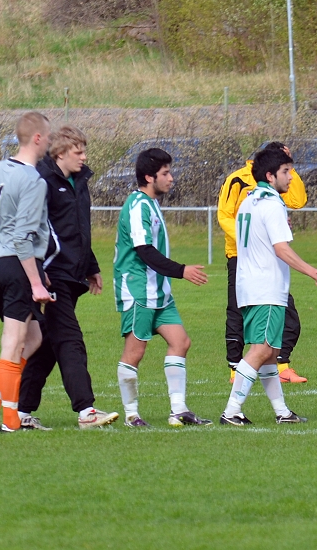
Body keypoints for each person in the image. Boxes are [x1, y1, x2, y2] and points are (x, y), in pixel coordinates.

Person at [220, 149, 317, 426]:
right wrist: (313, 272)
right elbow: (281, 249)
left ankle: (282, 411)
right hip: (266, 287)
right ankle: (232, 410)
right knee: (261, 350)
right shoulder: (271, 204)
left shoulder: (249, 201)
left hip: (249, 285)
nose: (291, 176)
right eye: (286, 171)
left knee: (270, 353)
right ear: (270, 176)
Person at [17, 126, 119, 430]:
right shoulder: (42, 180)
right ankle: (86, 411)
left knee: (48, 345)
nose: (84, 157)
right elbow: (34, 229)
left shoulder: (80, 181)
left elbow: (79, 228)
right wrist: (39, 271)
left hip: (72, 275)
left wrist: (91, 265)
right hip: (52, 275)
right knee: (70, 339)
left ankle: (20, 412)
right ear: (60, 152)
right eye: (79, 152)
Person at [113, 148, 211, 427]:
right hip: (138, 290)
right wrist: (182, 271)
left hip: (160, 292)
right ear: (149, 177)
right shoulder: (137, 206)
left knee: (180, 342)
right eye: (165, 173)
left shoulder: (152, 203)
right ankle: (132, 414)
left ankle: (178, 410)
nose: (171, 178)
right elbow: (144, 250)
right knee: (135, 352)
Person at [0, 112, 53, 433]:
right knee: (14, 340)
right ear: (37, 138)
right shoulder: (33, 179)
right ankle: (2, 411)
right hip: (18, 265)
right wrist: (36, 282)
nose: (48, 141)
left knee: (33, 337)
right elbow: (23, 237)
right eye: (47, 136)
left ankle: (1, 408)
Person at [218, 142, 308, 384]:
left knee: (286, 314)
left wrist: (291, 168)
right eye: (285, 167)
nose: (289, 175)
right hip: (241, 255)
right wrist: (248, 240)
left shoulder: (275, 190)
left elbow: (298, 201)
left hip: (268, 260)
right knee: (237, 311)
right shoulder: (238, 180)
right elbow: (224, 215)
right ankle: (236, 369)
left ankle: (282, 366)